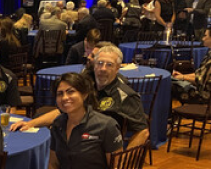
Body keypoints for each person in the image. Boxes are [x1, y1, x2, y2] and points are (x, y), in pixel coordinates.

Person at [12, 45, 148, 147]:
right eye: (100, 63)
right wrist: (30, 124)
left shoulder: (125, 95)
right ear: (94, 65)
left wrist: (122, 161)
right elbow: (63, 110)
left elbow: (142, 131)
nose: (103, 69)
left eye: (109, 65)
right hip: (73, 139)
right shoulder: (86, 85)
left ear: (118, 68)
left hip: (100, 146)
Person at [172, 28, 211, 102]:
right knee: (174, 81)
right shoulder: (209, 53)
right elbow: (199, 74)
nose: (203, 38)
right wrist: (181, 76)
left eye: (205, 36)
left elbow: (199, 80)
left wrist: (182, 77)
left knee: (170, 86)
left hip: (204, 95)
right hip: (203, 89)